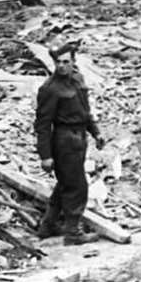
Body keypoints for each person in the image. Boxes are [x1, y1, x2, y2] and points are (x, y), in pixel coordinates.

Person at [34, 45, 105, 245]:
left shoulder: (77, 80)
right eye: (58, 62)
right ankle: (73, 232)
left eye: (66, 61)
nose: (62, 66)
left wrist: (96, 132)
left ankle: (47, 226)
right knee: (77, 185)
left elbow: (85, 111)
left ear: (73, 61)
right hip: (64, 139)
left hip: (80, 136)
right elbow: (42, 124)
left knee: (66, 182)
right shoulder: (50, 88)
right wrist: (45, 155)